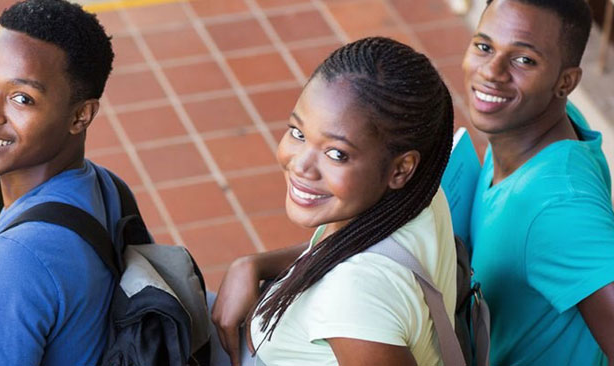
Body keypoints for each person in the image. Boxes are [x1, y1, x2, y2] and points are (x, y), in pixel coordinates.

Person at [211, 37, 458, 365]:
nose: (300, 165)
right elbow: (351, 249)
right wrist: (255, 263)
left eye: (336, 154)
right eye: (298, 133)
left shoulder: (353, 302)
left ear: (401, 169)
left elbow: (360, 291)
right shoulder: (421, 196)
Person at [0, 0, 123, 364]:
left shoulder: (12, 266)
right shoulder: (106, 187)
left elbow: (20, 274)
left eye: (22, 98)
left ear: (81, 115)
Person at [463, 0, 614, 363]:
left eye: (524, 60)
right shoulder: (537, 123)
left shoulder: (558, 206)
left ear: (566, 82)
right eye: (484, 46)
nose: (492, 71)